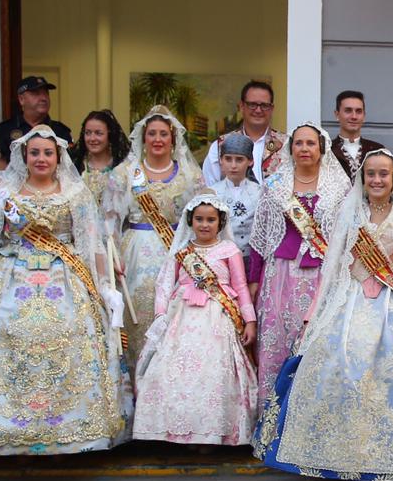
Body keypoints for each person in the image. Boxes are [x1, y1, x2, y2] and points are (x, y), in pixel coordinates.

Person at [0, 126, 130, 456]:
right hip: (11, 276)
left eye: (47, 153)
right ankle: (0, 430)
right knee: (4, 340)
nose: (41, 158)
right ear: (25, 156)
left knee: (68, 340)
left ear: (58, 157)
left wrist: (105, 287)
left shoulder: (75, 194)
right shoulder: (5, 194)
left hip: (65, 278)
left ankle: (71, 431)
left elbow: (90, 243)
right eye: (34, 153)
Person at [256, 150, 393, 481]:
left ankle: (384, 465)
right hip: (349, 300)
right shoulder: (350, 215)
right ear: (363, 180)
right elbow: (332, 268)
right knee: (335, 360)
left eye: (383, 174)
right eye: (371, 174)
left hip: (391, 304)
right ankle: (344, 463)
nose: (377, 180)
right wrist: (315, 314)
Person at [133, 196, 257, 445]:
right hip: (182, 317)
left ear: (220, 222)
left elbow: (241, 286)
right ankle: (177, 431)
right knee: (175, 371)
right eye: (199, 219)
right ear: (190, 221)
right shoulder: (181, 251)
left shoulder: (229, 250)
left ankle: (211, 433)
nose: (204, 225)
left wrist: (250, 320)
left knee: (213, 373)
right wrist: (160, 315)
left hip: (218, 319)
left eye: (211, 220)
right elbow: (165, 284)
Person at [249, 123, 350, 414]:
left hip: (321, 276)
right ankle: (271, 419)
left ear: (321, 150)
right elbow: (262, 235)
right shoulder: (275, 185)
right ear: (291, 148)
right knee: (277, 345)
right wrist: (254, 279)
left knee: (314, 342)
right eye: (299, 143)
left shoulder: (338, 187)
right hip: (280, 275)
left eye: (310, 144)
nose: (304, 149)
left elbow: (344, 238)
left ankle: (309, 418)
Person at [103, 106, 205, 361]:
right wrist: (113, 257)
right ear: (143, 138)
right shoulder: (124, 173)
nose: (157, 139)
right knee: (137, 313)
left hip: (175, 252)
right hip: (135, 253)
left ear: (173, 138)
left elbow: (203, 217)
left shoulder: (190, 175)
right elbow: (110, 219)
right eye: (152, 134)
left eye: (163, 134)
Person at [201, 80, 286, 186]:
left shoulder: (286, 144)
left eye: (264, 105)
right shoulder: (221, 145)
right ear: (241, 106)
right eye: (252, 104)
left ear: (271, 108)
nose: (258, 110)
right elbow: (209, 189)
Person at [211, 133, 262, 251]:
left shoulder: (260, 192)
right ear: (221, 161)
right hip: (222, 258)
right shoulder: (213, 193)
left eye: (239, 160)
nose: (233, 165)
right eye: (228, 159)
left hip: (252, 259)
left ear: (250, 161)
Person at [70, 110, 130, 206]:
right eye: (88, 133)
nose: (92, 138)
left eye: (99, 133)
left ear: (109, 135)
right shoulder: (76, 166)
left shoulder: (123, 167)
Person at [0, 75, 73, 149]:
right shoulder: (5, 130)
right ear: (21, 99)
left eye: (46, 93)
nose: (43, 98)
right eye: (36, 93)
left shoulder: (60, 131)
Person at [329, 90, 384, 179]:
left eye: (358, 111)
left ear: (364, 116)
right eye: (348, 111)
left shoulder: (377, 150)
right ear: (337, 115)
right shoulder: (327, 150)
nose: (354, 116)